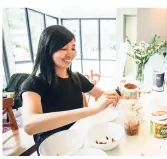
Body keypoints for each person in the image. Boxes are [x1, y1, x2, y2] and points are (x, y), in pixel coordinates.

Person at [20, 25, 120, 155]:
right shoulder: (34, 84)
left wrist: (121, 94)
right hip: (53, 149)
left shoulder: (77, 78)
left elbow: (104, 96)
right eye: (63, 48)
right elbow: (30, 125)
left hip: (80, 142)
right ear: (47, 50)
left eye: (73, 48)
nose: (70, 53)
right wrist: (91, 110)